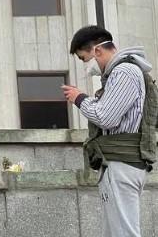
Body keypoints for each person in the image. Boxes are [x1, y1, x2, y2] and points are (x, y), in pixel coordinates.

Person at [62, 25, 156, 237]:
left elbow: (106, 118)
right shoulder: (124, 72)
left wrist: (79, 98)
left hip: (121, 162)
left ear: (97, 50)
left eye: (85, 59)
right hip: (121, 162)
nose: (88, 67)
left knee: (123, 233)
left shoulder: (124, 71)